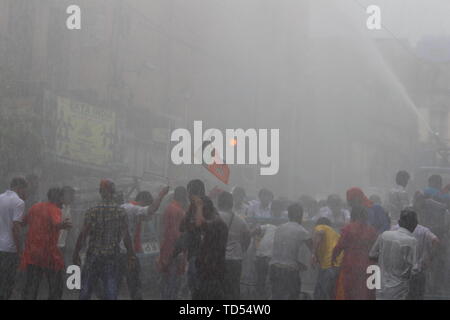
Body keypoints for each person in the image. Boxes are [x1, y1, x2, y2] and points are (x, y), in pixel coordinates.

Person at [73, 179, 136, 300]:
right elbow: (126, 235)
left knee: (86, 287)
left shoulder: (92, 211)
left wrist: (76, 253)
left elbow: (83, 234)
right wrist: (130, 254)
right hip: (111, 256)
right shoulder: (120, 212)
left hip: (93, 255)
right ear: (113, 192)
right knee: (110, 287)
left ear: (101, 192)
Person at [21, 187, 72, 300]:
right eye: (62, 198)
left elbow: (23, 222)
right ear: (58, 198)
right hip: (48, 254)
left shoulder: (35, 207)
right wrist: (63, 225)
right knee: (56, 285)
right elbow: (55, 224)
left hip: (32, 253)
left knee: (32, 285)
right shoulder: (54, 209)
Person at [118, 187, 169, 300]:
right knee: (135, 284)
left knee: (117, 282)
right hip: (126, 252)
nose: (149, 218)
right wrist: (161, 195)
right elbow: (152, 209)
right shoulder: (133, 209)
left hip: (120, 251)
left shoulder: (125, 207)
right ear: (143, 203)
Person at [332, 188, 378, 300]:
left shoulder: (347, 229)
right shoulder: (372, 230)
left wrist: (333, 258)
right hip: (367, 264)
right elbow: (376, 249)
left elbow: (339, 246)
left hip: (350, 264)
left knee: (349, 291)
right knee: (366, 292)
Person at [392, 198, 439, 300]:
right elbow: (435, 241)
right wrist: (427, 259)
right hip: (417, 273)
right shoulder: (422, 230)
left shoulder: (394, 229)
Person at [369, 209, 419, 300]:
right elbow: (414, 269)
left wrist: (384, 261)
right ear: (415, 224)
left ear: (399, 222)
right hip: (399, 289)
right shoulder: (412, 241)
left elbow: (372, 255)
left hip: (381, 287)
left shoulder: (384, 235)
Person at [269, 203, 311, 300]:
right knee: (293, 296)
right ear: (300, 215)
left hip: (274, 268)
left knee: (276, 296)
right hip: (289, 271)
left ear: (288, 215)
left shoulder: (279, 228)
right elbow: (312, 248)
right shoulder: (302, 231)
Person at [191, 195, 228, 300]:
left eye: (200, 211)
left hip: (212, 269)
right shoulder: (215, 220)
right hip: (209, 268)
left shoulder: (217, 223)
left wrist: (199, 206)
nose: (197, 214)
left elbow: (199, 223)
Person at [218, 191, 251, 300]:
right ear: (231, 203)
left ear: (219, 202)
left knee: (218, 288)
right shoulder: (240, 219)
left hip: (218, 258)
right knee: (233, 288)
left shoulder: (215, 217)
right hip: (235, 260)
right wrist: (243, 249)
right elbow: (247, 236)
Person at [0, 177, 27, 300]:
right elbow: (16, 228)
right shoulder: (19, 202)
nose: (25, 193)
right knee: (8, 281)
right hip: (10, 248)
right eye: (24, 190)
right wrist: (20, 250)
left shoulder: (0, 198)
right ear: (19, 187)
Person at [159, 186, 188, 300]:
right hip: (175, 250)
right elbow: (175, 232)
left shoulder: (170, 208)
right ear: (183, 196)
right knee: (173, 280)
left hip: (167, 248)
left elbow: (166, 230)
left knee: (167, 278)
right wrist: (180, 250)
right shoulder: (178, 210)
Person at [179, 179, 206, 298]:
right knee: (192, 285)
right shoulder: (191, 207)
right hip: (193, 252)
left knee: (198, 286)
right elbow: (182, 226)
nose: (188, 196)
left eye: (189, 193)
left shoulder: (206, 206)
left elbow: (199, 225)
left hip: (202, 254)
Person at [311, 217, 342, 300]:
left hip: (328, 265)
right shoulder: (335, 234)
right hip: (337, 266)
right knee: (331, 293)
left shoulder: (321, 227)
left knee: (321, 293)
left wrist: (313, 254)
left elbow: (319, 233)